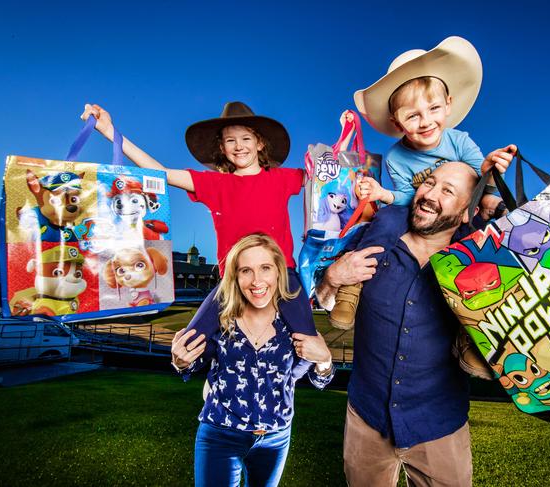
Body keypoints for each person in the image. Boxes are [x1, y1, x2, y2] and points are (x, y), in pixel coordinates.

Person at [80, 101, 317, 342]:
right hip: (233, 278)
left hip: (280, 273)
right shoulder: (214, 184)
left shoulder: (283, 178)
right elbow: (162, 173)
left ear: (260, 143)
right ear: (222, 148)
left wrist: (347, 142)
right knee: (191, 341)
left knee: (309, 338)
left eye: (246, 138)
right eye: (230, 140)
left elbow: (328, 182)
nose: (239, 146)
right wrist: (110, 132)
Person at [329, 36, 516, 330]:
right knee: (387, 219)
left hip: (458, 213)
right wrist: (382, 195)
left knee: (482, 244)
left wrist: (490, 171)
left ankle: (478, 328)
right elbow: (406, 197)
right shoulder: (396, 157)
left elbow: (478, 182)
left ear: (448, 105)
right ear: (397, 121)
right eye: (413, 115)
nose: (426, 121)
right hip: (419, 214)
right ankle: (352, 289)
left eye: (433, 109)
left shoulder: (460, 141)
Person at [316, 162, 484, 487]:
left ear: (466, 212)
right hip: (367, 417)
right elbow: (326, 302)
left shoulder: (475, 266)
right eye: (429, 183)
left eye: (447, 191)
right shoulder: (376, 241)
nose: (429, 195)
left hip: (438, 424)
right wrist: (333, 278)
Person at [171, 233, 334, 487]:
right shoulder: (221, 319)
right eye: (246, 270)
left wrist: (325, 359)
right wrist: (181, 361)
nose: (257, 281)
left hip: (275, 439)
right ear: (235, 276)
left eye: (265, 268)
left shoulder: (294, 324)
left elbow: (317, 378)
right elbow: (195, 363)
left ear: (279, 272)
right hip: (220, 434)